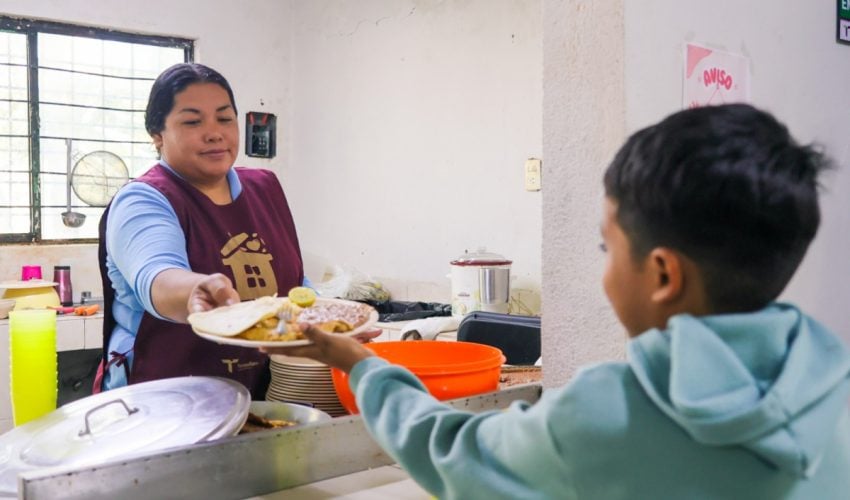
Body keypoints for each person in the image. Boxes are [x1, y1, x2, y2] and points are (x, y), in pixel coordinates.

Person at [264, 104, 850, 499]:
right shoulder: (835, 389)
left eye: (607, 247)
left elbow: (449, 451)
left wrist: (362, 365)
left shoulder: (609, 416)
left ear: (664, 274)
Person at [94, 63, 304, 399]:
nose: (214, 133)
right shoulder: (144, 199)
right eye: (193, 121)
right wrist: (194, 291)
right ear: (157, 134)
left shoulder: (265, 188)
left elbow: (294, 284)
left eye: (224, 118)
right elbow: (158, 275)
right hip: (163, 403)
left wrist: (330, 323)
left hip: (260, 395)